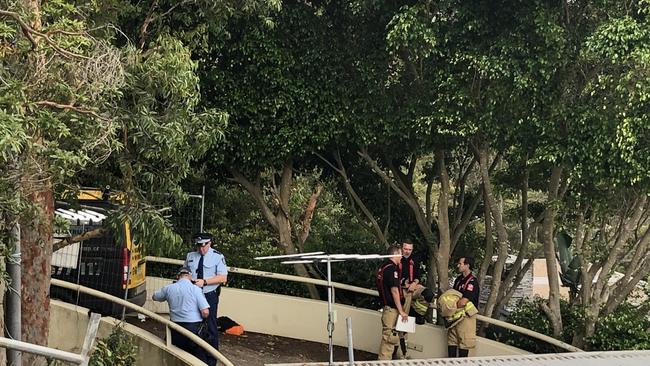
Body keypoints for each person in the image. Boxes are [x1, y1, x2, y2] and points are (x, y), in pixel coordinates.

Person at [185, 233, 228, 366]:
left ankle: (211, 360)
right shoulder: (191, 256)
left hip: (209, 295)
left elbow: (223, 278)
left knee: (210, 327)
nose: (201, 249)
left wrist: (204, 282)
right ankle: (194, 358)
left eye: (204, 246)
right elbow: (184, 272)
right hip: (193, 294)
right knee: (192, 325)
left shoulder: (217, 256)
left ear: (210, 243)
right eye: (199, 246)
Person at [152, 266, 210, 363]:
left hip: (175, 329)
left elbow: (154, 297)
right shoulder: (195, 289)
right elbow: (205, 312)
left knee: (175, 357)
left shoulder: (169, 288)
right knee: (199, 359)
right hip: (193, 329)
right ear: (190, 276)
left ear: (178, 276)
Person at [376, 246, 409, 360]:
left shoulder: (383, 268)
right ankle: (383, 362)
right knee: (389, 339)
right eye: (400, 254)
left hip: (387, 307)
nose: (401, 257)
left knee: (391, 338)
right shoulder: (391, 269)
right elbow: (394, 290)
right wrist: (401, 310)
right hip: (391, 309)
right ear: (395, 254)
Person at [447, 256, 480, 358]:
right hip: (455, 316)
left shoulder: (472, 282)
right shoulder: (458, 280)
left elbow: (463, 301)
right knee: (451, 341)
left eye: (460, 264)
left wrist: (450, 306)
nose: (458, 265)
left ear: (467, 265)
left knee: (464, 343)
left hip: (466, 317)